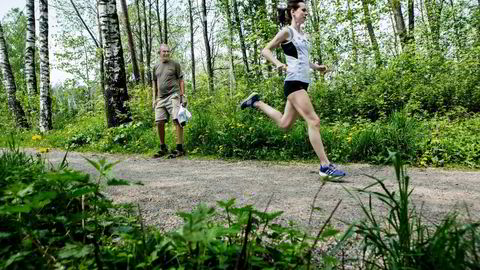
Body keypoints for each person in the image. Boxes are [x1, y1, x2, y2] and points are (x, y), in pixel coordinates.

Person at [239, 0, 345, 176]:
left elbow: (302, 58)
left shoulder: (303, 34)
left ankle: (255, 103)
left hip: (303, 82)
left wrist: (316, 67)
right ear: (293, 12)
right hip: (293, 82)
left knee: (284, 124)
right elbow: (265, 50)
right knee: (314, 121)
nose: (306, 13)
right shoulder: (286, 32)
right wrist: (278, 63)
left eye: (307, 10)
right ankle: (325, 166)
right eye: (303, 10)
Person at [152, 44, 187, 158]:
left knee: (177, 120)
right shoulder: (156, 66)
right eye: (164, 51)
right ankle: (163, 147)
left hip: (174, 95)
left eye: (168, 51)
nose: (166, 53)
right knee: (159, 122)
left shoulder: (175, 64)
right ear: (159, 53)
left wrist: (183, 95)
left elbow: (181, 79)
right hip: (161, 98)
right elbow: (154, 83)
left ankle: (179, 148)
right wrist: (155, 98)